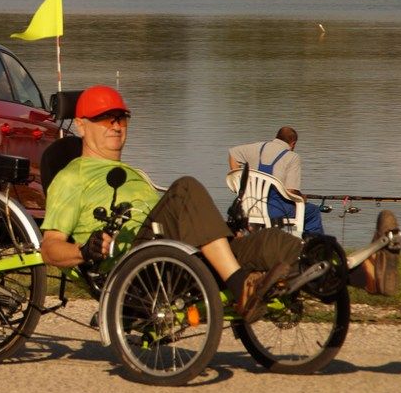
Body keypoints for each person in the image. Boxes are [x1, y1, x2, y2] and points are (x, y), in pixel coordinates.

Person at [39, 85, 303, 323]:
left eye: (121, 118)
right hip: (138, 265)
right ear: (81, 126)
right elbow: (49, 248)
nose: (116, 126)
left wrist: (222, 231)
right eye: (104, 119)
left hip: (179, 252)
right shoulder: (72, 176)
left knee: (272, 242)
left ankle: (327, 277)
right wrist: (84, 251)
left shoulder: (133, 174)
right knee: (185, 189)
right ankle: (239, 285)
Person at [228, 127, 324, 236]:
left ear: (277, 137)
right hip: (275, 209)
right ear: (293, 144)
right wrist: (302, 198)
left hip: (248, 207)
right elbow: (291, 191)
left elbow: (233, 153)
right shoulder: (292, 157)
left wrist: (240, 182)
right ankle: (314, 249)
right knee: (313, 211)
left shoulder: (256, 147)